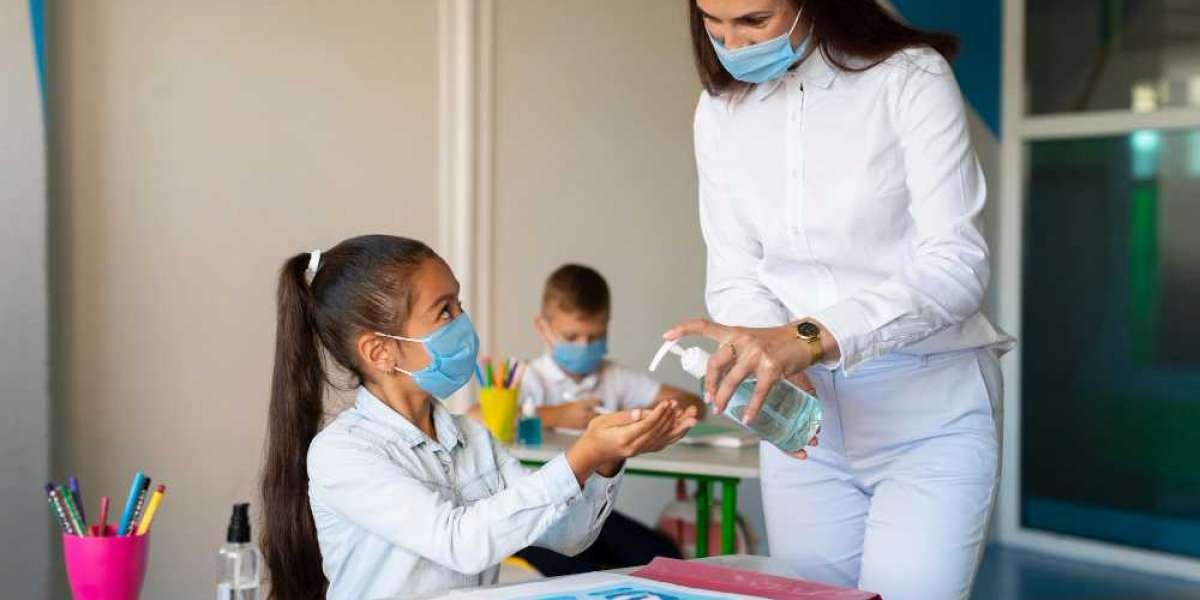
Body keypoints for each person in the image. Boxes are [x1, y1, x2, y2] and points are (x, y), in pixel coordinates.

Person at [663, 2, 1014, 599]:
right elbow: (734, 272)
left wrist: (802, 340)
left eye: (754, 21)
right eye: (712, 22)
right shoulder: (720, 111)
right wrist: (764, 350)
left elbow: (957, 265)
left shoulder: (909, 78)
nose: (731, 43)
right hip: (806, 426)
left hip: (928, 416)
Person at [259, 235, 697, 599]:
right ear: (380, 351)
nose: (462, 323)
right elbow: (460, 541)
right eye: (444, 311)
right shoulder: (343, 453)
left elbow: (568, 537)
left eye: (459, 306)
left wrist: (605, 461)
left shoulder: (472, 437)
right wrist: (581, 456)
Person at [512, 264, 703, 574]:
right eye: (572, 336)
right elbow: (479, 418)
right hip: (534, 520)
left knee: (664, 557)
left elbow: (691, 402)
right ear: (542, 327)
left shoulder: (614, 377)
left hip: (592, 516)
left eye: (595, 336)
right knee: (576, 572)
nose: (584, 346)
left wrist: (657, 417)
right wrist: (558, 416)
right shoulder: (527, 379)